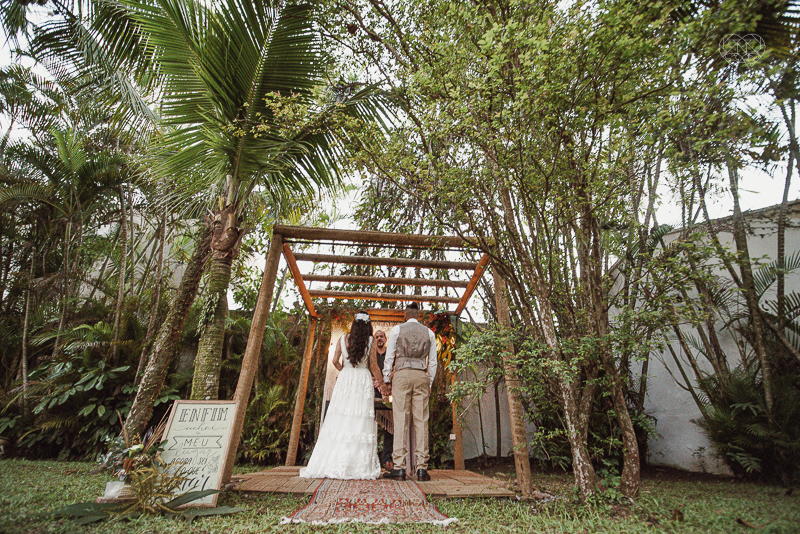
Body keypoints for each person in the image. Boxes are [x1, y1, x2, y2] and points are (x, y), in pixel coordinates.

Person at [299, 311, 383, 480]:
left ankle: (335, 462)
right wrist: (383, 383)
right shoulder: (371, 341)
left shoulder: (342, 339)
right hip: (362, 379)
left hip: (345, 379)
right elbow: (373, 366)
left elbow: (334, 361)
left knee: (341, 419)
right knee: (358, 420)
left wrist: (345, 372)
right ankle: (357, 464)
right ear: (368, 325)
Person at [382, 302, 437, 482]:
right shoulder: (429, 333)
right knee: (421, 420)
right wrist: (429, 382)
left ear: (405, 315)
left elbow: (389, 356)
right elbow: (433, 362)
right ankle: (421, 468)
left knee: (400, 419)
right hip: (421, 374)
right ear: (418, 316)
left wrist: (387, 379)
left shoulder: (397, 330)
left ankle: (399, 467)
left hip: (402, 375)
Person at [372, 329, 394, 472]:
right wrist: (376, 382)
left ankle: (387, 459)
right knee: (370, 425)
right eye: (377, 336)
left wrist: (388, 384)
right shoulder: (371, 354)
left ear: (386, 339)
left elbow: (394, 368)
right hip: (373, 389)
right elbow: (369, 369)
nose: (379, 338)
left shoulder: (391, 353)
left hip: (389, 391)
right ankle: (371, 459)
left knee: (389, 426)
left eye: (381, 336)